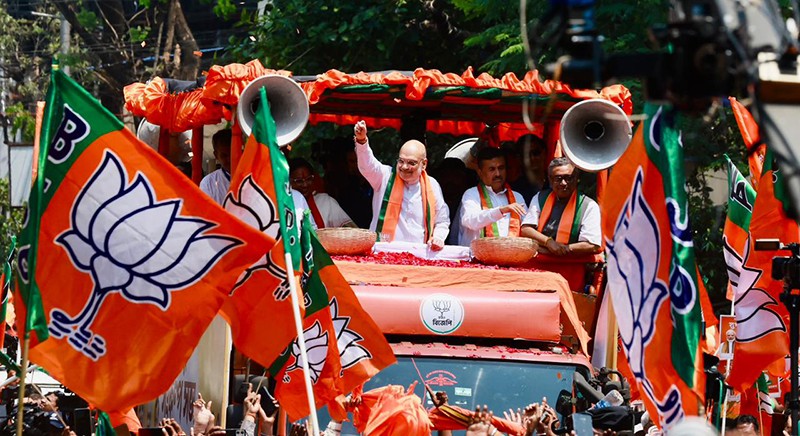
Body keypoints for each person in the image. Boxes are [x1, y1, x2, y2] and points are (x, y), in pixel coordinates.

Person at [353, 120, 450, 249]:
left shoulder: (432, 185)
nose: (404, 167)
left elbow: (442, 220)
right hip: (384, 252)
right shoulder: (385, 176)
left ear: (424, 164)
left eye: (411, 163)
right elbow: (368, 166)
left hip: (419, 255)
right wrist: (362, 141)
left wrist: (438, 237)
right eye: (401, 161)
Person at [521, 157, 602, 256]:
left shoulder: (589, 205)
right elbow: (526, 229)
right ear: (550, 180)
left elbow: (592, 245)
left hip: (572, 265)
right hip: (542, 262)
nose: (563, 183)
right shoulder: (540, 197)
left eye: (568, 178)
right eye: (558, 179)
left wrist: (562, 249)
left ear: (577, 179)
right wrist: (548, 242)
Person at [457, 147, 527, 247]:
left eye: (501, 168)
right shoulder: (471, 194)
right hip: (476, 259)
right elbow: (470, 221)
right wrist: (501, 211)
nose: (498, 174)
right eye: (492, 169)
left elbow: (526, 228)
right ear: (480, 173)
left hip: (511, 257)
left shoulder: (517, 197)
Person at [289, 158, 356, 228]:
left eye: (309, 179)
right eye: (299, 181)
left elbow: (350, 230)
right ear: (288, 181)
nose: (305, 184)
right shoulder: (283, 206)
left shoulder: (325, 201)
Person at [199, 129, 232, 205]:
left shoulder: (254, 178)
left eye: (232, 153)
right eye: (224, 155)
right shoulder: (208, 183)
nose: (230, 159)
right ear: (216, 155)